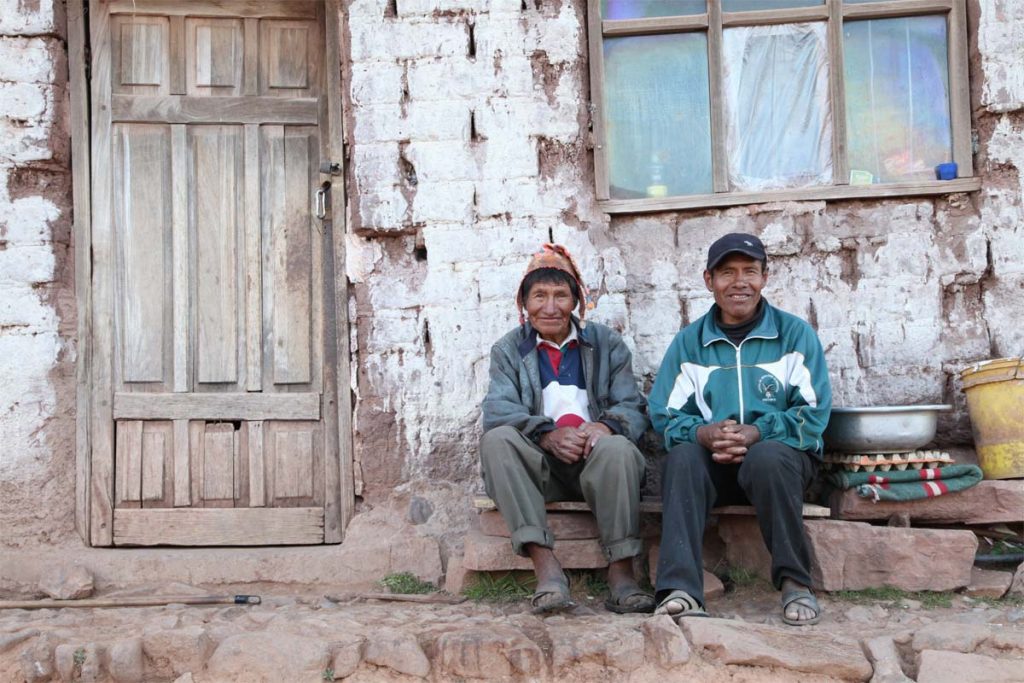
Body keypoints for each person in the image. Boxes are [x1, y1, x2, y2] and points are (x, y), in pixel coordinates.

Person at [648, 233, 832, 626]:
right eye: (727, 272)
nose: (739, 282)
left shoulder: (794, 335)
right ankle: (680, 587)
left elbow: (814, 413)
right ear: (708, 280)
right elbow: (663, 413)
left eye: (750, 271)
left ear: (765, 277)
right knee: (681, 458)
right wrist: (704, 434)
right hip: (713, 463)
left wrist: (757, 433)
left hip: (777, 464)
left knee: (767, 458)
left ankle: (795, 583)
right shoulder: (689, 343)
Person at [480, 243, 654, 614]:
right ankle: (547, 571)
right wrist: (546, 434)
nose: (550, 306)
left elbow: (633, 407)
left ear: (576, 300)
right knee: (497, 441)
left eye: (561, 295)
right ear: (524, 304)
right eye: (539, 296)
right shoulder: (508, 350)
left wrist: (604, 428)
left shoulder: (606, 343)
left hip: (598, 463)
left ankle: (621, 575)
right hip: (541, 469)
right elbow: (498, 411)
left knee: (620, 448)